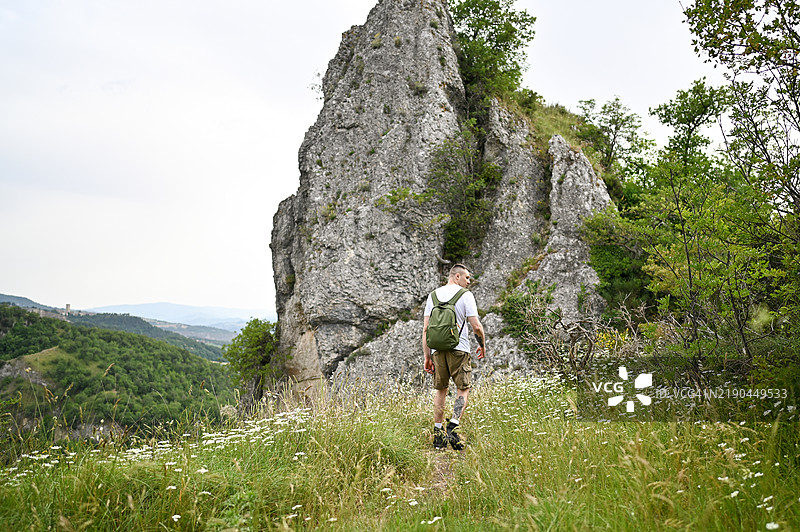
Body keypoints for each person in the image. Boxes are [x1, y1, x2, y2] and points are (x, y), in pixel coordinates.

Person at [422, 263, 486, 450]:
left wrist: (427, 357)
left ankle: (438, 434)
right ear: (456, 276)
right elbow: (476, 326)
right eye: (466, 278)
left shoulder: (433, 296)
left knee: (441, 390)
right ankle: (453, 425)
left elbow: (426, 329)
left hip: (437, 351)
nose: (468, 282)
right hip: (460, 349)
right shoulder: (465, 295)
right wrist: (482, 345)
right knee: (463, 389)